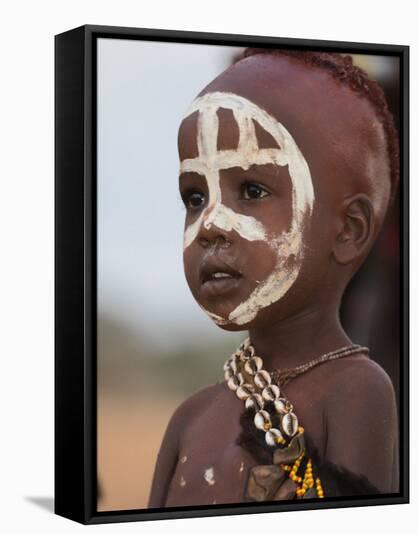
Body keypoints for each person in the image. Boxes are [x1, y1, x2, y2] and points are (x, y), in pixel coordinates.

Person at [148, 49, 399, 507]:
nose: (210, 224)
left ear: (348, 230)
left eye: (252, 190)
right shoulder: (189, 419)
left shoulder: (355, 391)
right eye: (195, 196)